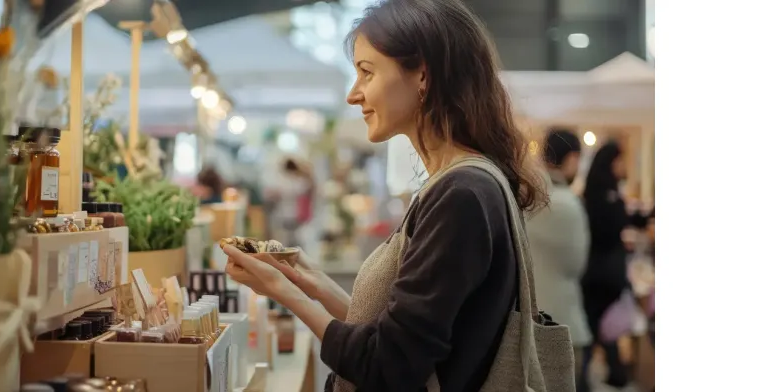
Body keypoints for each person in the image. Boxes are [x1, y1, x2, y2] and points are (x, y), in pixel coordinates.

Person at [222, 1, 562, 391]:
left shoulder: (462, 194)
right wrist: (309, 280)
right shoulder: (457, 184)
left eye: (366, 72)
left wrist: (283, 293)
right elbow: (400, 334)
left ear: (423, 75)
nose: (354, 95)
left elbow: (389, 365)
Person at [526, 129, 593, 391]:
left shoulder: (525, 197)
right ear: (573, 158)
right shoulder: (568, 204)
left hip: (529, 318)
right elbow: (577, 265)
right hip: (564, 320)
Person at [580, 141, 632, 388]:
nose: (624, 166)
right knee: (600, 326)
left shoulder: (590, 193)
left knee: (596, 324)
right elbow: (610, 230)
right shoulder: (608, 194)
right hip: (606, 271)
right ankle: (610, 375)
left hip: (594, 270)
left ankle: (601, 375)